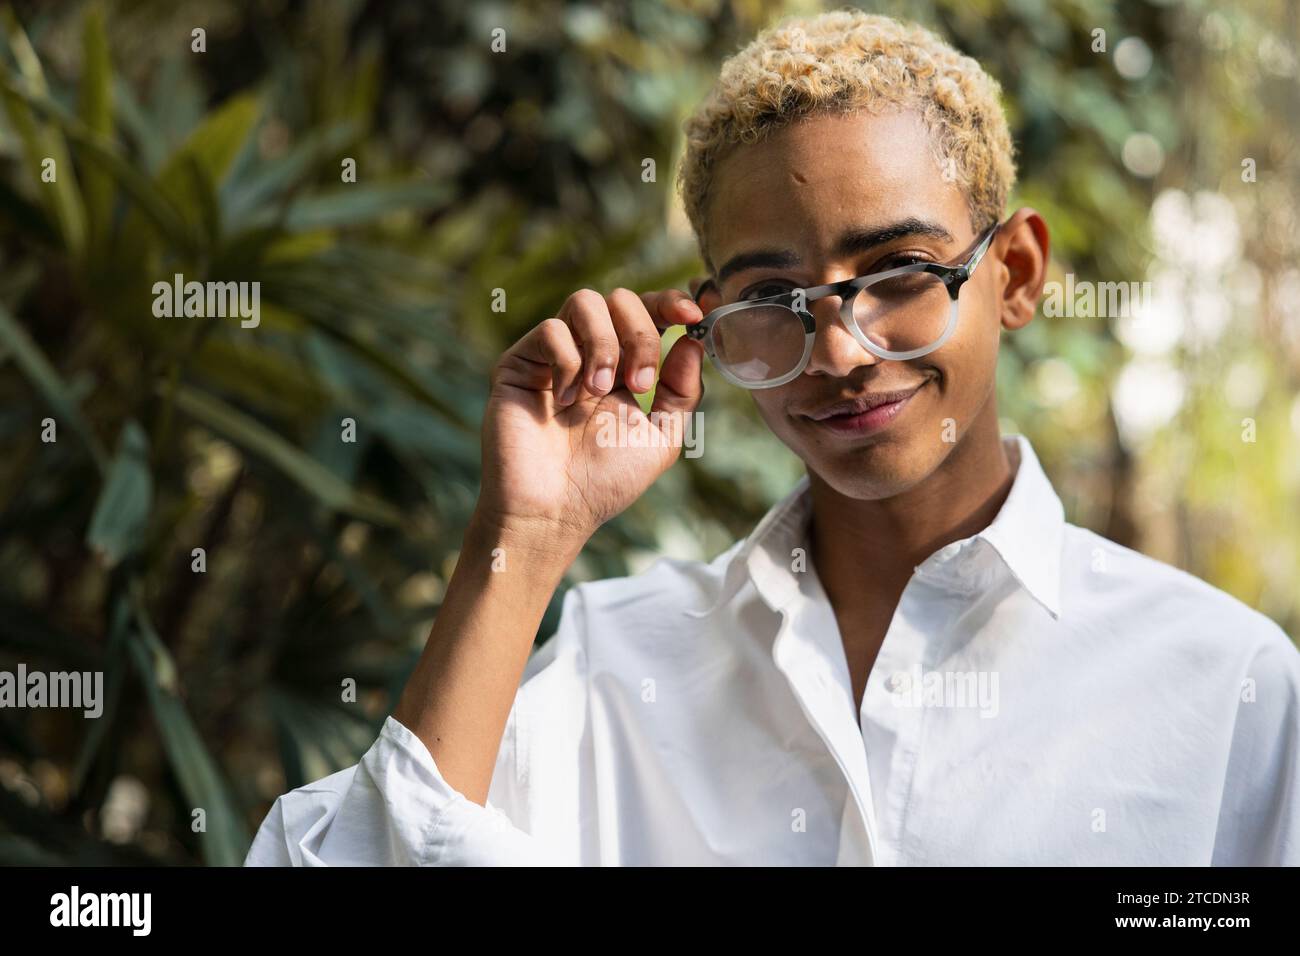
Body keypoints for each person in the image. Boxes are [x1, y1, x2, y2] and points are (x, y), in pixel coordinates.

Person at [245, 10, 1299, 866]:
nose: (839, 351)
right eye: (772, 298)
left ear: (1014, 274)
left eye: (899, 275)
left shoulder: (1222, 683)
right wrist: (525, 532)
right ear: (710, 320)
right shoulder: (618, 667)